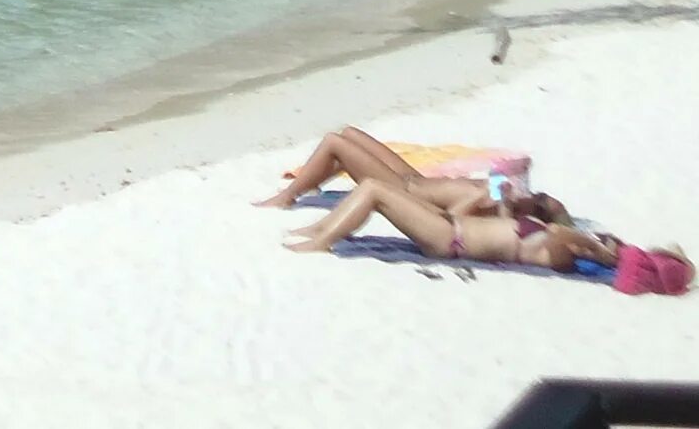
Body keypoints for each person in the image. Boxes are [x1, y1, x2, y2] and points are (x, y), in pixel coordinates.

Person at [285, 180, 683, 288]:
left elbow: (562, 241)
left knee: (373, 189)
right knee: (375, 188)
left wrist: (599, 251)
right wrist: (499, 203)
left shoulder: (562, 255)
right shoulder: (553, 236)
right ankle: (319, 229)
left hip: (448, 240)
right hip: (451, 225)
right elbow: (494, 226)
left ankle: (321, 241)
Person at [254, 128, 563, 223]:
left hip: (405, 190)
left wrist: (496, 201)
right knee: (348, 133)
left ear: (530, 212)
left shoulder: (493, 202)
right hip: (415, 179)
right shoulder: (503, 193)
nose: (534, 193)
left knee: (335, 144)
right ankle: (309, 184)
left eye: (539, 199)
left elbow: (449, 218)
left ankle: (287, 197)